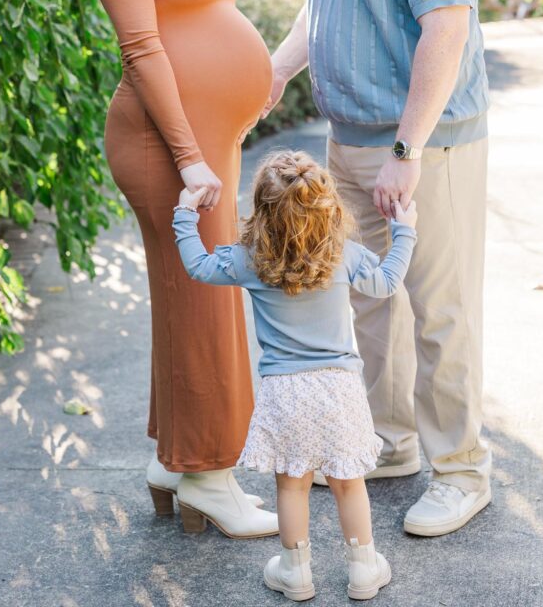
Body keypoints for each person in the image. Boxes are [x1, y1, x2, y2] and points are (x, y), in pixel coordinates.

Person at [262, 0, 491, 537]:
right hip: (348, 139)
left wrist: (407, 150)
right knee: (366, 303)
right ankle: (391, 444)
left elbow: (446, 30)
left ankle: (462, 470)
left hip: (424, 149)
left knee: (439, 312)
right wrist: (276, 69)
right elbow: (319, 3)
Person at [72, 0, 278, 538]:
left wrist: (244, 92)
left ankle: (175, 458)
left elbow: (204, 24)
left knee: (194, 295)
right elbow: (143, 48)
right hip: (166, 146)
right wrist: (192, 156)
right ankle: (211, 477)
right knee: (207, 300)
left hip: (201, 139)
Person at [172, 150, 418, 601]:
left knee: (292, 481)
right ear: (329, 205)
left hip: (284, 391)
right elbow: (386, 283)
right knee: (348, 482)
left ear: (262, 211)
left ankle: (295, 571)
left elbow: (198, 266)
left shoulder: (251, 259)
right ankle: (363, 568)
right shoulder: (343, 254)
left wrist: (185, 213)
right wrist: (404, 230)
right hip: (339, 386)